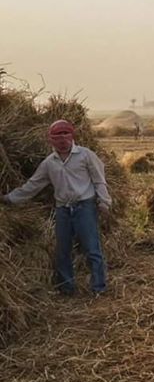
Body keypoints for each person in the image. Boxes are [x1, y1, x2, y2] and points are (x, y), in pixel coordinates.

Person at [0, 120, 112, 295]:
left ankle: (99, 288)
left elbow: (99, 180)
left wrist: (104, 202)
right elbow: (33, 186)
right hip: (63, 210)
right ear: (50, 140)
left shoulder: (86, 155)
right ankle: (67, 289)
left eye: (65, 136)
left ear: (72, 136)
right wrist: (8, 199)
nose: (62, 141)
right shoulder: (49, 163)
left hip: (84, 207)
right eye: (58, 137)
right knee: (62, 250)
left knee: (92, 249)